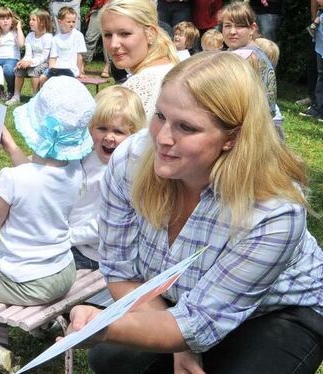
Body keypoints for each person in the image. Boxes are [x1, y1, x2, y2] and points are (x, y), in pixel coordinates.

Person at [68, 51, 323, 374]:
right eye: (160, 116)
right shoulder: (129, 160)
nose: (162, 138)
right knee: (111, 358)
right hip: (182, 298)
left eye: (186, 127)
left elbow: (200, 322)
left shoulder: (274, 211)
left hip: (280, 310)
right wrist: (179, 339)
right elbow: (121, 271)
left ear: (231, 138)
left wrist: (108, 326)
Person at [0, 76, 95, 372]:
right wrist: (12, 147)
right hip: (62, 272)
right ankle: (14, 332)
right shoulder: (75, 171)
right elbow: (37, 177)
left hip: (26, 281)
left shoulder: (12, 179)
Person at [70, 85, 145, 270]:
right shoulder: (87, 156)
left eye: (119, 132)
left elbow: (104, 226)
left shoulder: (125, 173)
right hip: (73, 240)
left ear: (134, 135)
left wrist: (65, 237)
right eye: (101, 128)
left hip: (97, 255)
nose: (109, 137)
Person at [100, 0, 179, 120]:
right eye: (107, 35)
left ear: (150, 34)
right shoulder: (171, 69)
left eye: (125, 34)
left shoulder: (138, 87)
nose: (113, 45)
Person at [220, 2, 277, 119]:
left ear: (252, 29)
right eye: (227, 26)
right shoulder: (256, 51)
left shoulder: (244, 56)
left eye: (240, 26)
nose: (232, 32)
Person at [7, 8, 53, 106]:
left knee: (34, 70)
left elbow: (44, 57)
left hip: (45, 63)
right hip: (31, 61)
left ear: (43, 23)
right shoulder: (30, 36)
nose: (30, 22)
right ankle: (16, 96)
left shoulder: (48, 37)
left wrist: (30, 62)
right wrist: (23, 61)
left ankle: (35, 97)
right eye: (30, 19)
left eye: (33, 20)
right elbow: (28, 54)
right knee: (19, 69)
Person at [0, 7, 25, 101]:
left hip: (11, 59)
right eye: (2, 19)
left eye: (8, 18)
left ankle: (11, 90)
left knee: (8, 69)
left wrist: (19, 27)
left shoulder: (15, 32)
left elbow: (21, 44)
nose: (5, 21)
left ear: (12, 20)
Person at [41, 6, 86, 83]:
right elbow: (53, 58)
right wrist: (51, 70)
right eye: (68, 22)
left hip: (71, 69)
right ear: (60, 22)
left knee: (60, 80)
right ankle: (39, 94)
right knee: (42, 78)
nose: (71, 24)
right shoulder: (55, 38)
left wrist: (80, 72)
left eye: (73, 21)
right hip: (57, 68)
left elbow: (79, 56)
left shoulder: (78, 35)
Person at [84, 0, 111, 78]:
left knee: (108, 37)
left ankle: (108, 66)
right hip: (97, 9)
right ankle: (82, 64)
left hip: (113, 8)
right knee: (90, 37)